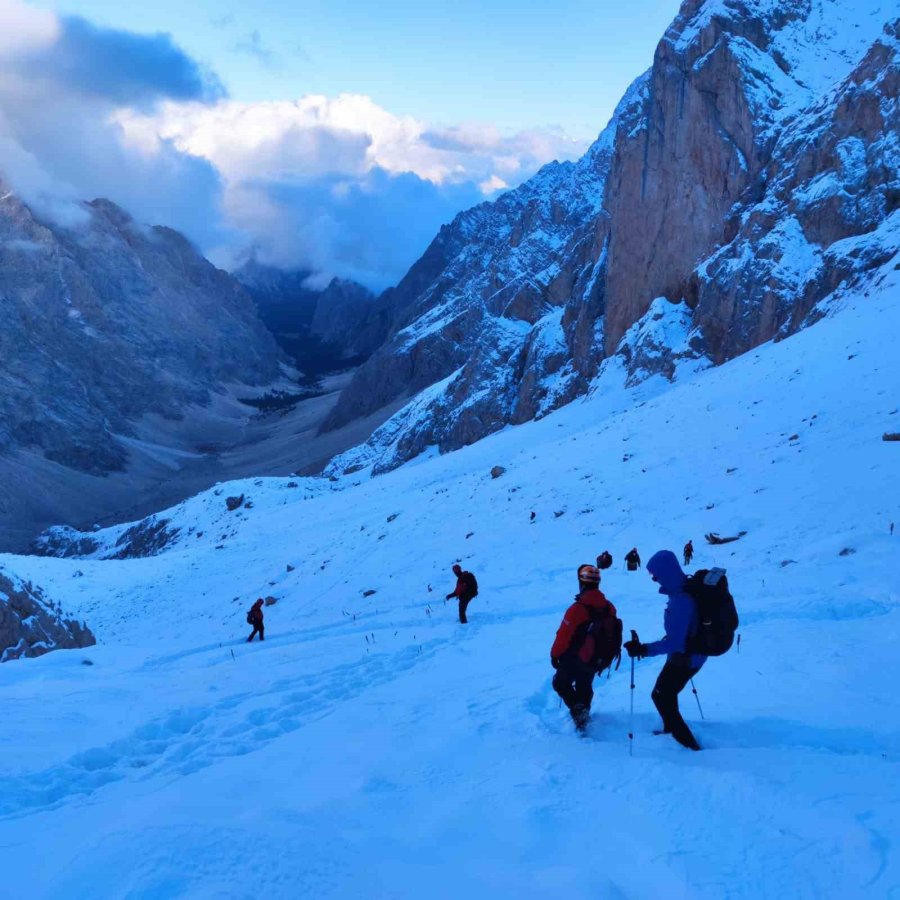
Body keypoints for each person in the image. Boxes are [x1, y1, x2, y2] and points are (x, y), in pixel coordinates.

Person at [624, 550, 706, 751]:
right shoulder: (681, 591)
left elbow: (676, 643)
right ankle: (671, 729)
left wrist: (644, 649)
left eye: (655, 575)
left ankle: (688, 744)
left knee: (661, 696)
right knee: (666, 693)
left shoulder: (681, 602)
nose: (654, 580)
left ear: (665, 572)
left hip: (685, 658)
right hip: (688, 655)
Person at [550, 564, 621, 733]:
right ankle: (583, 714)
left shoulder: (577, 609)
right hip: (598, 657)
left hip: (576, 657)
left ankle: (579, 711)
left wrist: (555, 655)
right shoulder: (609, 606)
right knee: (585, 684)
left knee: (560, 682)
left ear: (581, 582)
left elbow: (563, 635)